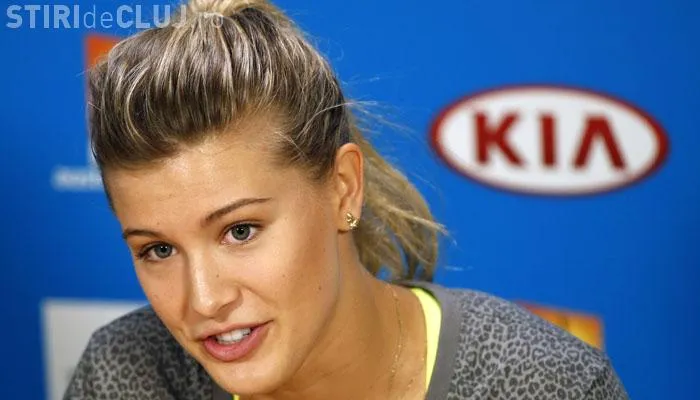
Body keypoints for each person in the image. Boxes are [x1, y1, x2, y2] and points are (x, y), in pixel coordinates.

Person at [64, 0, 629, 399]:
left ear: (343, 188)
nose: (204, 300)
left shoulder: (544, 383)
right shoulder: (126, 377)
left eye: (240, 231)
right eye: (158, 250)